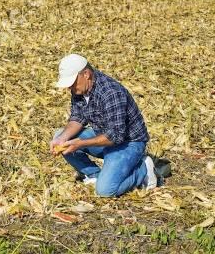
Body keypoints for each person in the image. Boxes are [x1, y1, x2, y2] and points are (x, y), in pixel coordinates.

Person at [50, 54, 157, 197]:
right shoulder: (80, 89)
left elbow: (116, 136)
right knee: (60, 136)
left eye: (72, 82)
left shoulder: (111, 93)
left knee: (106, 191)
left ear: (86, 74)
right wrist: (62, 139)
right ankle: (95, 175)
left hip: (128, 143)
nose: (70, 87)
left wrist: (80, 144)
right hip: (103, 135)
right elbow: (78, 117)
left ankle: (143, 170)